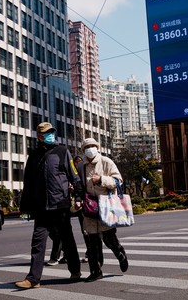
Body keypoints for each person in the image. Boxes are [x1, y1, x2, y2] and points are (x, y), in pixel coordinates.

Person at [15, 122, 83, 289]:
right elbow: (29, 183)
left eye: (52, 132)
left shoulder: (62, 151)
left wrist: (79, 196)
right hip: (41, 207)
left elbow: (74, 176)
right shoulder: (34, 156)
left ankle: (75, 271)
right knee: (37, 242)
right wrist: (25, 207)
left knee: (67, 239)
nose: (51, 135)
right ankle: (33, 279)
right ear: (39, 136)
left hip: (60, 205)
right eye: (47, 133)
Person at [80, 138, 128, 282]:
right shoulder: (81, 166)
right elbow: (80, 185)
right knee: (93, 242)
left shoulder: (106, 162)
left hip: (106, 206)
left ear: (97, 147)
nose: (90, 148)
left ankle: (120, 254)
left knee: (109, 238)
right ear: (83, 151)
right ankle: (96, 271)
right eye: (87, 147)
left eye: (92, 146)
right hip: (89, 208)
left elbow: (118, 181)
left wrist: (101, 179)